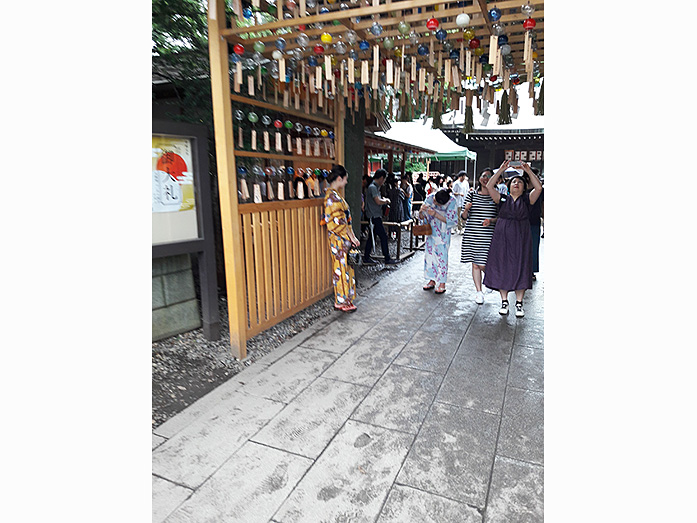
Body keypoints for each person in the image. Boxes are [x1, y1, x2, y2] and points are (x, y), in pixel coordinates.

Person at [483, 160, 543, 317]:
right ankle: (504, 301)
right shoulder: (502, 199)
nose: (516, 183)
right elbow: (490, 186)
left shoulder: (526, 200)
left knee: (521, 266)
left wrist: (528, 171)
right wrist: (501, 169)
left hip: (521, 237)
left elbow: (539, 188)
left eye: (519, 182)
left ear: (524, 187)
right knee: (502, 265)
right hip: (502, 237)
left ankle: (519, 303)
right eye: (513, 181)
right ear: (508, 187)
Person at [322, 164, 361, 312]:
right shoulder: (332, 197)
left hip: (341, 239)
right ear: (339, 178)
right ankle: (343, 301)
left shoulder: (334, 196)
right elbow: (338, 224)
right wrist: (351, 237)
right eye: (345, 179)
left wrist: (352, 237)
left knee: (343, 269)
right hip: (338, 239)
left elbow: (344, 222)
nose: (346, 182)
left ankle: (344, 299)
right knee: (341, 269)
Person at [460, 168, 499, 304]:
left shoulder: (495, 196)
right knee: (475, 264)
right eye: (483, 175)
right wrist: (466, 209)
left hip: (488, 234)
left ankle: (489, 279)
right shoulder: (471, 195)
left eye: (489, 176)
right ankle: (479, 292)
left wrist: (491, 221)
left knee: (485, 263)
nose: (485, 178)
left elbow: (499, 216)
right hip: (472, 233)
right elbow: (463, 217)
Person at [419, 188, 458, 294]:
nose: (434, 202)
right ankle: (431, 280)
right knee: (430, 255)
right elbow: (421, 217)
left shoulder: (452, 201)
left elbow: (452, 221)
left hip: (443, 232)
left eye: (437, 203)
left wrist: (436, 214)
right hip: (431, 231)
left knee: (442, 256)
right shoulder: (430, 198)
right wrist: (421, 211)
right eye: (434, 200)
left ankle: (442, 283)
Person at [363, 169, 397, 265]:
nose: (384, 182)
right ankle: (387, 258)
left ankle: (366, 257)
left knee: (372, 237)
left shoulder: (374, 187)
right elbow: (377, 201)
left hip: (374, 215)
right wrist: (386, 201)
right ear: (381, 178)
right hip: (374, 216)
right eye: (384, 179)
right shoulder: (373, 187)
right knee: (383, 236)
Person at [525, 167, 544, 281]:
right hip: (521, 222)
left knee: (533, 247)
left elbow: (542, 205)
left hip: (534, 221)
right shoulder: (521, 190)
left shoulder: (540, 191)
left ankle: (531, 270)